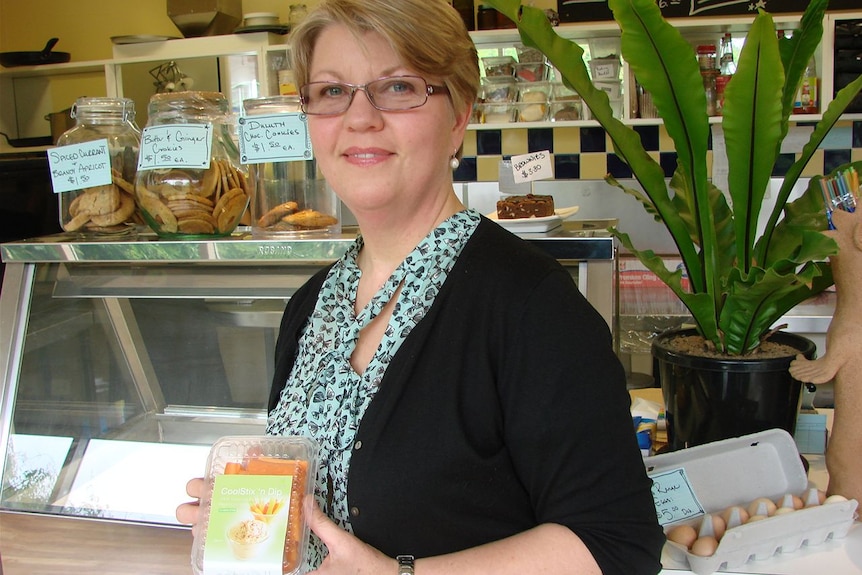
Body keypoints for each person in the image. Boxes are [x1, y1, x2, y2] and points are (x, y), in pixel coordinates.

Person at [177, 1, 665, 573]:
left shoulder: (532, 308)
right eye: (332, 92)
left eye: (398, 87)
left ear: (459, 113)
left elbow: (617, 543)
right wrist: (253, 515)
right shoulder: (310, 307)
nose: (359, 118)